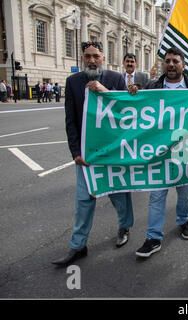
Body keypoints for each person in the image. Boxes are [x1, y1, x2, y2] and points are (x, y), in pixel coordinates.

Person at [127, 47, 188, 259]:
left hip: (185, 152)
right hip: (159, 153)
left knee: (185, 194)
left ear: (183, 65)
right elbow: (137, 107)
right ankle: (153, 238)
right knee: (156, 196)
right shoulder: (153, 86)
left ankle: (183, 220)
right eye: (167, 60)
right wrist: (134, 91)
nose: (170, 64)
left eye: (175, 61)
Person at [52, 41, 134, 267]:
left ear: (103, 58)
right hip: (86, 155)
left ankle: (124, 226)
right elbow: (70, 120)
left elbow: (125, 111)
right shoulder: (73, 82)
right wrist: (75, 152)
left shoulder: (116, 79)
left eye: (95, 56)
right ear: (82, 57)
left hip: (112, 152)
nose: (91, 60)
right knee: (84, 200)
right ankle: (78, 246)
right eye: (87, 56)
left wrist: (105, 91)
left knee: (119, 194)